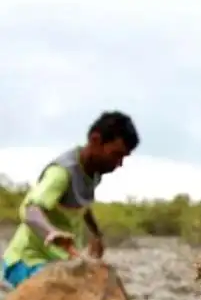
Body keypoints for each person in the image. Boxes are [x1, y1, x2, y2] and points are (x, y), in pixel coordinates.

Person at [1, 111, 139, 289]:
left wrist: (96, 234)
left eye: (123, 158)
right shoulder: (62, 173)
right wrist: (50, 232)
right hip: (27, 261)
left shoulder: (93, 173)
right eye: (116, 154)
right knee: (63, 293)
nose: (119, 164)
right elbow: (30, 210)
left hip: (58, 260)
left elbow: (83, 204)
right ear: (96, 140)